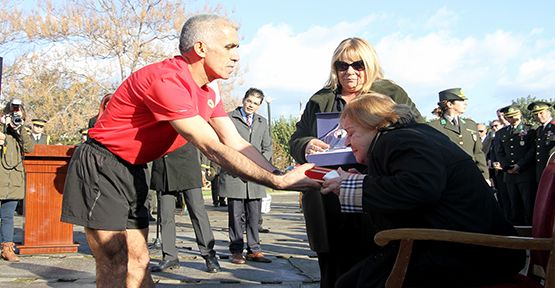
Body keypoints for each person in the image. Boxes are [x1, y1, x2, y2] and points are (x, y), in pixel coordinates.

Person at [60, 14, 318, 288]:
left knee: (139, 259)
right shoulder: (168, 80)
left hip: (134, 168)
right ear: (201, 48)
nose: (236, 56)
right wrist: (276, 182)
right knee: (114, 258)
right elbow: (211, 147)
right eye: (230, 47)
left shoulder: (210, 89)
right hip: (103, 163)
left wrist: (280, 173)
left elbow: (235, 141)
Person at [320, 93, 525, 287]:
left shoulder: (397, 140)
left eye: (351, 133)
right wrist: (363, 180)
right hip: (464, 247)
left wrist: (350, 185)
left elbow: (420, 188)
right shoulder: (408, 136)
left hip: (469, 253)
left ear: (375, 124)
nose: (347, 142)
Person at [288, 37, 422, 288]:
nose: (349, 71)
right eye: (342, 65)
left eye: (357, 65)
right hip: (328, 196)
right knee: (334, 269)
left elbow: (416, 133)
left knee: (378, 265)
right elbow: (296, 140)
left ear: (369, 64)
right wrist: (306, 144)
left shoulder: (391, 93)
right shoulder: (320, 99)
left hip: (376, 192)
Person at [219, 88, 273, 264]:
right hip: (234, 175)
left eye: (256, 103)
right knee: (235, 216)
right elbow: (222, 145)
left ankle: (254, 250)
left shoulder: (262, 122)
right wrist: (237, 165)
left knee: (254, 216)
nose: (251, 105)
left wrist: (260, 167)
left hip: (256, 177)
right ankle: (236, 250)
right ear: (244, 100)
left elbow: (267, 148)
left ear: (259, 106)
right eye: (249, 101)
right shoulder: (228, 118)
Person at [149, 143, 220, 273]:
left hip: (187, 162)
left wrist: (204, 167)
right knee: (165, 215)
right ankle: (170, 256)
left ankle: (209, 254)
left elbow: (200, 136)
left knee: (197, 212)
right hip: (164, 164)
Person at [428, 88, 489, 181]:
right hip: (450, 180)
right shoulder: (434, 127)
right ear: (449, 104)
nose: (465, 103)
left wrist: (485, 177)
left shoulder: (470, 125)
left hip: (473, 178)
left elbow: (478, 153)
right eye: (461, 100)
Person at [0, 99, 34, 262]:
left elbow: (29, 148)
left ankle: (7, 249)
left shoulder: (20, 130)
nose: (15, 118)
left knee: (8, 216)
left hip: (13, 179)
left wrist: (19, 129)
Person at [493, 105, 536, 225]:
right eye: (509, 117)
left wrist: (520, 165)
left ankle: (530, 228)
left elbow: (532, 150)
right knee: (513, 204)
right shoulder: (502, 133)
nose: (512, 119)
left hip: (525, 173)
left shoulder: (530, 129)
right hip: (510, 175)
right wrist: (507, 167)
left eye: (514, 116)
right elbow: (499, 152)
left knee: (528, 204)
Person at [527, 101, 555, 182]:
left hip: (552, 168)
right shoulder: (539, 130)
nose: (539, 116)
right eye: (536, 114)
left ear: (548, 112)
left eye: (541, 113)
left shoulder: (553, 126)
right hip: (542, 169)